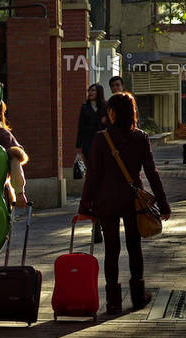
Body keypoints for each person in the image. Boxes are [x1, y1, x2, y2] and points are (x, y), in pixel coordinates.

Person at [78, 92, 171, 314]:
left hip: (106, 201)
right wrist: (163, 204)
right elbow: (152, 172)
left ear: (113, 112)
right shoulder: (140, 137)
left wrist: (85, 205)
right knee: (134, 247)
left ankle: (113, 302)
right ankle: (138, 297)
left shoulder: (101, 139)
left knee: (112, 250)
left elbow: (93, 175)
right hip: (132, 201)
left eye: (109, 110)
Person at [76, 83, 108, 243]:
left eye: (93, 90)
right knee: (93, 182)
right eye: (89, 90)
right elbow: (80, 128)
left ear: (99, 92)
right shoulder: (84, 108)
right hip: (89, 146)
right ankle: (96, 224)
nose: (90, 93)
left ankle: (101, 221)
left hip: (103, 146)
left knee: (103, 184)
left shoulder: (106, 107)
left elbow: (109, 126)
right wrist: (79, 148)